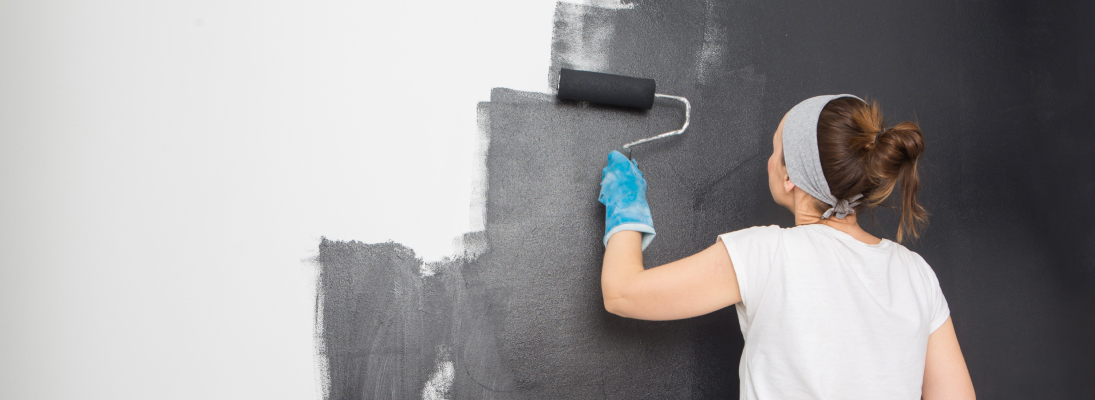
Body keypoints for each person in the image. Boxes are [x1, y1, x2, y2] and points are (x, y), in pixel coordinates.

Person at [598, 95, 975, 399]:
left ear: (791, 174)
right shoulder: (915, 273)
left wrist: (625, 206)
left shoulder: (767, 253)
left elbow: (623, 293)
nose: (769, 161)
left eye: (775, 149)